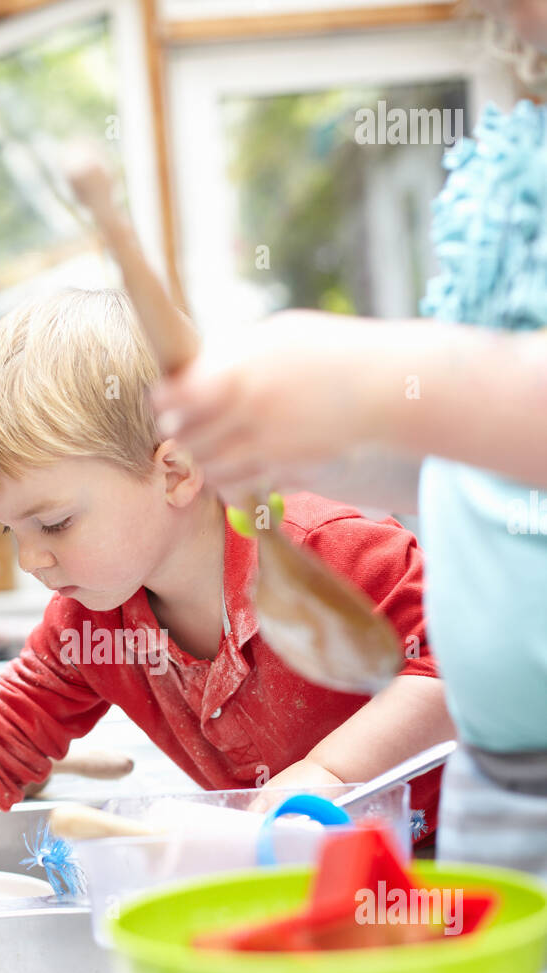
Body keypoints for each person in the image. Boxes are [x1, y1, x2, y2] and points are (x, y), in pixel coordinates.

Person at [0, 289, 451, 914]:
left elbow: (459, 667)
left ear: (174, 473)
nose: (28, 558)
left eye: (55, 524)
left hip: (466, 873)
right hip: (316, 901)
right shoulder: (91, 625)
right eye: (11, 529)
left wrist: (331, 774)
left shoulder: (324, 555)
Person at [150, 9, 547, 876]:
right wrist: (312, 444)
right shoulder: (521, 169)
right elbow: (488, 462)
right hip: (502, 788)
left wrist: (380, 382)